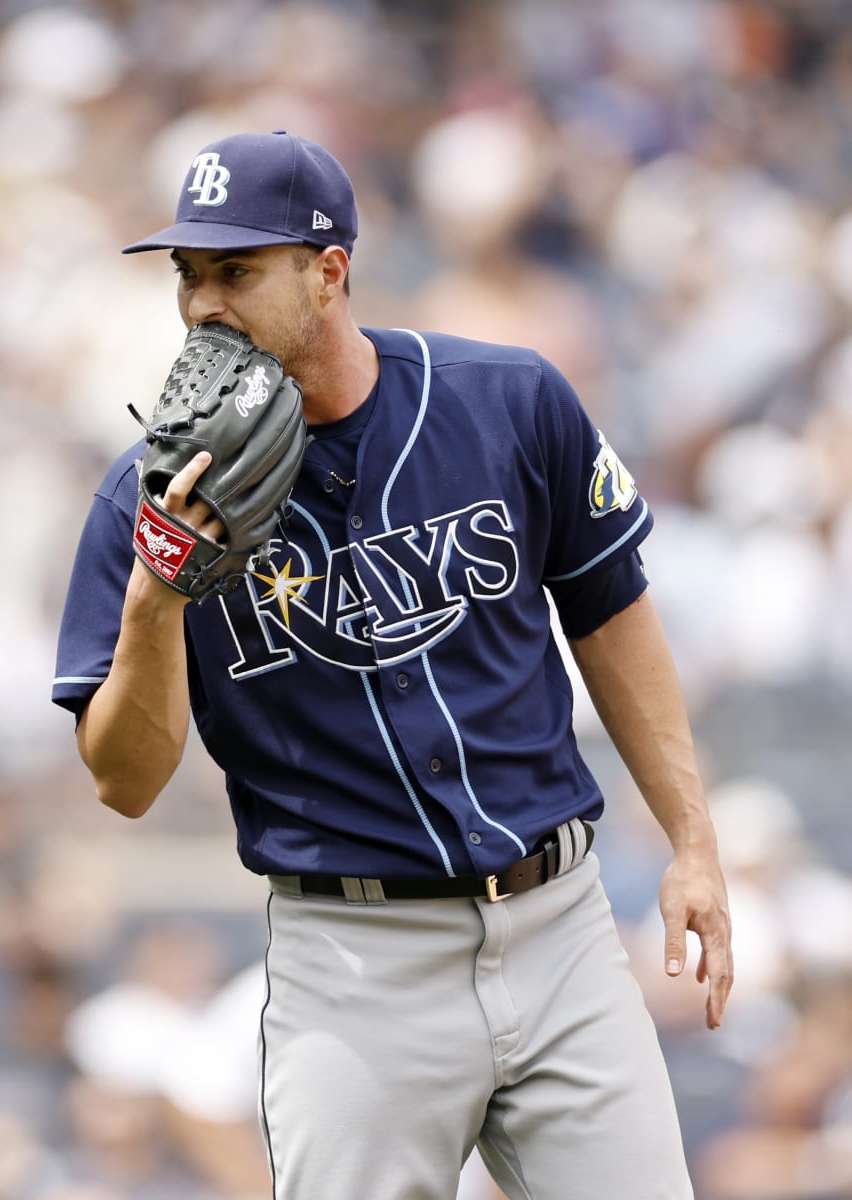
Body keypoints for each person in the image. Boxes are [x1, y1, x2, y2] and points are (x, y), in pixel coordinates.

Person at [52, 131, 733, 1199]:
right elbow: (123, 782)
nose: (201, 307)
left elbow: (612, 611)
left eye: (236, 271)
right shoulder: (142, 501)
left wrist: (692, 839)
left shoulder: (505, 399)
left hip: (559, 929)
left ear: (330, 273)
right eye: (189, 277)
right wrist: (154, 599)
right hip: (355, 964)